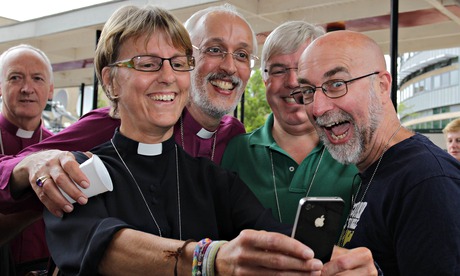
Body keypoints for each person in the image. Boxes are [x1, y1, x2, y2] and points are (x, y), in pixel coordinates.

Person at [43, 5, 324, 275]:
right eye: (148, 64)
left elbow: (277, 235)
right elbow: (102, 247)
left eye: (178, 64)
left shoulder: (216, 180)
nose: (167, 77)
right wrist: (209, 259)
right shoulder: (74, 174)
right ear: (111, 81)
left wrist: (335, 259)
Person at [0, 3, 255, 218]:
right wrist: (32, 162)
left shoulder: (234, 134)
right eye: (214, 49)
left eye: (242, 54)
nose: (230, 66)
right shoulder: (116, 122)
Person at [296, 30, 460, 275]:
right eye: (308, 90)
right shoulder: (375, 169)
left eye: (337, 84)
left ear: (382, 86)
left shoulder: (428, 180)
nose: (317, 108)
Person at [221, 21, 358, 226]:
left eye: (303, 68)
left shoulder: (355, 150)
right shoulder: (236, 152)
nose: (293, 81)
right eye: (278, 70)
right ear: (265, 79)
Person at [0, 44, 54, 274]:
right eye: (15, 78)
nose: (27, 88)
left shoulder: (63, 145)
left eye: (37, 79)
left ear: (50, 90)